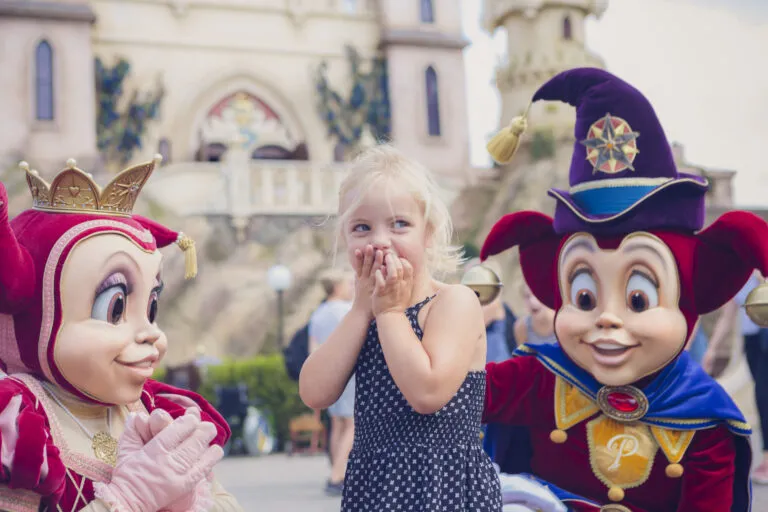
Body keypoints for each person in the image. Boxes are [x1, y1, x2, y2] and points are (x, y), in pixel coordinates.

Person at [480, 68, 760, 511]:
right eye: (585, 298)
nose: (607, 317)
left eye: (638, 300)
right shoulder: (541, 379)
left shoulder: (703, 420)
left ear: (690, 295)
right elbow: (445, 397)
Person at [0, 157, 242, 510]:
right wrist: (129, 499)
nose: (150, 334)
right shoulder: (18, 425)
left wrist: (190, 503)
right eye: (115, 309)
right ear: (34, 313)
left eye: (151, 309)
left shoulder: (154, 408)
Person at [299, 145, 503, 511]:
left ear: (428, 234)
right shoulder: (363, 315)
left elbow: (427, 393)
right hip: (376, 488)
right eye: (362, 227)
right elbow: (314, 392)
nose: (380, 240)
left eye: (399, 224)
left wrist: (390, 312)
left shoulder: (453, 302)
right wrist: (362, 310)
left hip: (444, 486)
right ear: (345, 239)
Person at [703, 271, 768, 483]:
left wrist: (762, 278)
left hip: (766, 335)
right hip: (751, 339)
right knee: (761, 394)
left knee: (763, 395)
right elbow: (728, 314)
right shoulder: (741, 275)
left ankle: (767, 458)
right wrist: (712, 349)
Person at [309, 269, 355, 495]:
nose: (351, 287)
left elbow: (313, 349)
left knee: (337, 423)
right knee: (352, 424)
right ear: (337, 287)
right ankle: (338, 474)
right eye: (348, 284)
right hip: (349, 372)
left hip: (329, 373)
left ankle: (336, 470)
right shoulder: (347, 311)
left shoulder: (318, 314)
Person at [514, 283, 557, 347]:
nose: (532, 301)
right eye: (527, 296)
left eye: (536, 295)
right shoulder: (522, 327)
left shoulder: (563, 323)